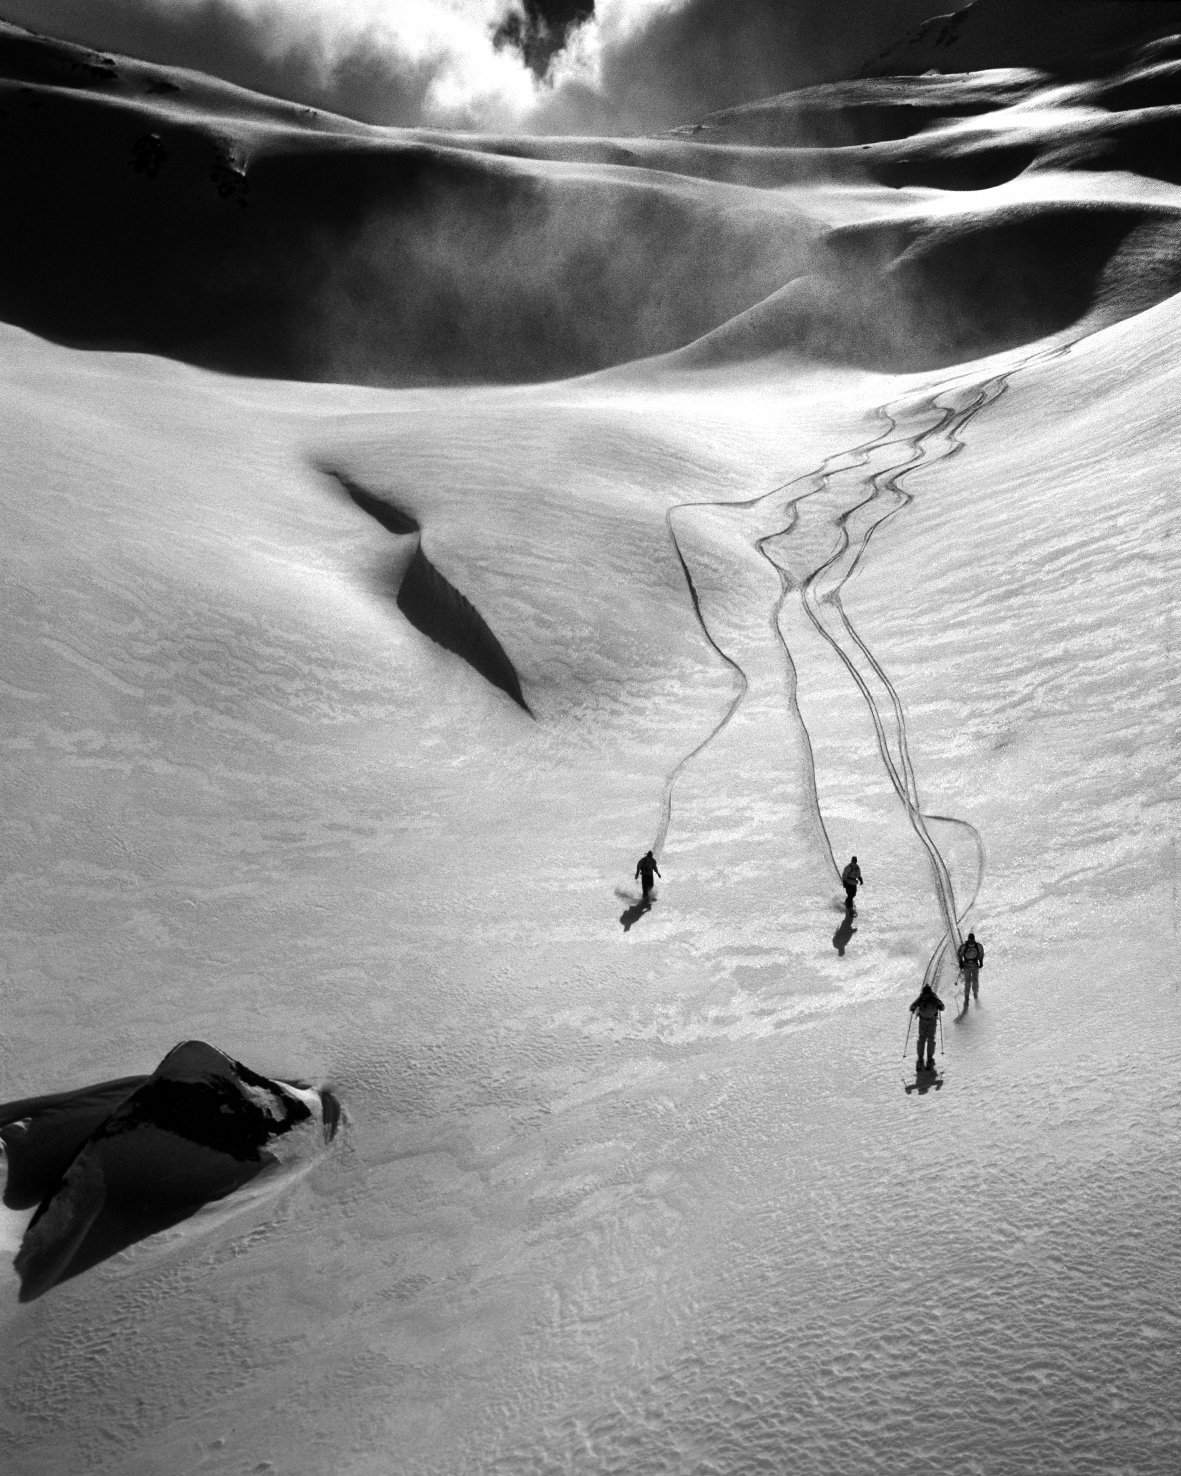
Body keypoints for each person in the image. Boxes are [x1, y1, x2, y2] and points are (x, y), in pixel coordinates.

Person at [909, 983, 944, 1071]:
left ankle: (929, 1059)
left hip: (932, 1021)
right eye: (924, 994)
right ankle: (920, 1059)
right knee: (922, 1039)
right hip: (923, 1021)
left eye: (927, 994)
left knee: (931, 1039)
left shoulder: (934, 998)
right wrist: (913, 1008)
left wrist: (940, 1006)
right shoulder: (920, 999)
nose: (925, 996)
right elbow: (912, 1006)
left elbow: (942, 1006)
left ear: (930, 993)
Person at [958, 932, 985, 998]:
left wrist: (981, 961)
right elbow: (959, 953)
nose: (971, 941)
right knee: (968, 981)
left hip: (975, 964)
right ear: (969, 939)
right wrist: (961, 962)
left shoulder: (978, 946)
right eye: (970, 939)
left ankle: (975, 992)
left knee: (975, 980)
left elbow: (981, 953)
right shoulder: (964, 946)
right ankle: (966, 994)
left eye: (972, 939)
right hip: (966, 965)